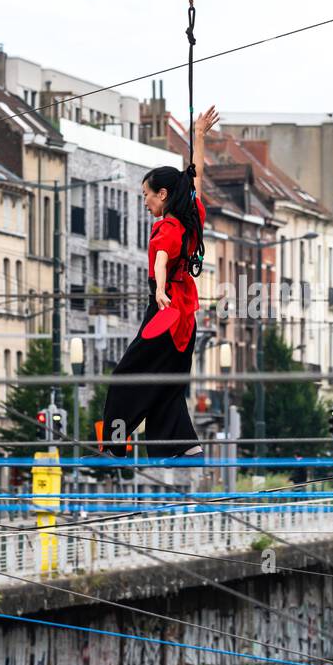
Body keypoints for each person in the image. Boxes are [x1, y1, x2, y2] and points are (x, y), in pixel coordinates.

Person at [100, 106, 218, 461]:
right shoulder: (192, 217)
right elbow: (195, 178)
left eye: (148, 195)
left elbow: (162, 260)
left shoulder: (167, 227)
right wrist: (198, 136)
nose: (146, 201)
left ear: (163, 194)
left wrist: (162, 290)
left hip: (164, 311)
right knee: (169, 383)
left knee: (126, 376)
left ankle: (115, 444)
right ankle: (182, 444)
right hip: (185, 316)